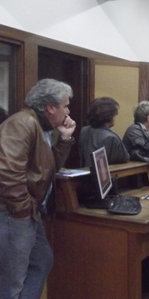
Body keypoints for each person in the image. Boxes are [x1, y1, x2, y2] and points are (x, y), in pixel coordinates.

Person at [0, 78, 76, 299]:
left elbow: (48, 166)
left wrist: (65, 138)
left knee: (41, 261)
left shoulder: (41, 127)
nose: (68, 110)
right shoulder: (22, 123)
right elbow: (6, 171)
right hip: (13, 214)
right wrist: (23, 210)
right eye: (65, 105)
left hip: (26, 213)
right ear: (50, 107)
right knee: (11, 284)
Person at [79, 97, 130, 167]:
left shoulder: (84, 130)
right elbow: (125, 158)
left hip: (83, 175)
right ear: (110, 116)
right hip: (104, 175)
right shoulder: (111, 138)